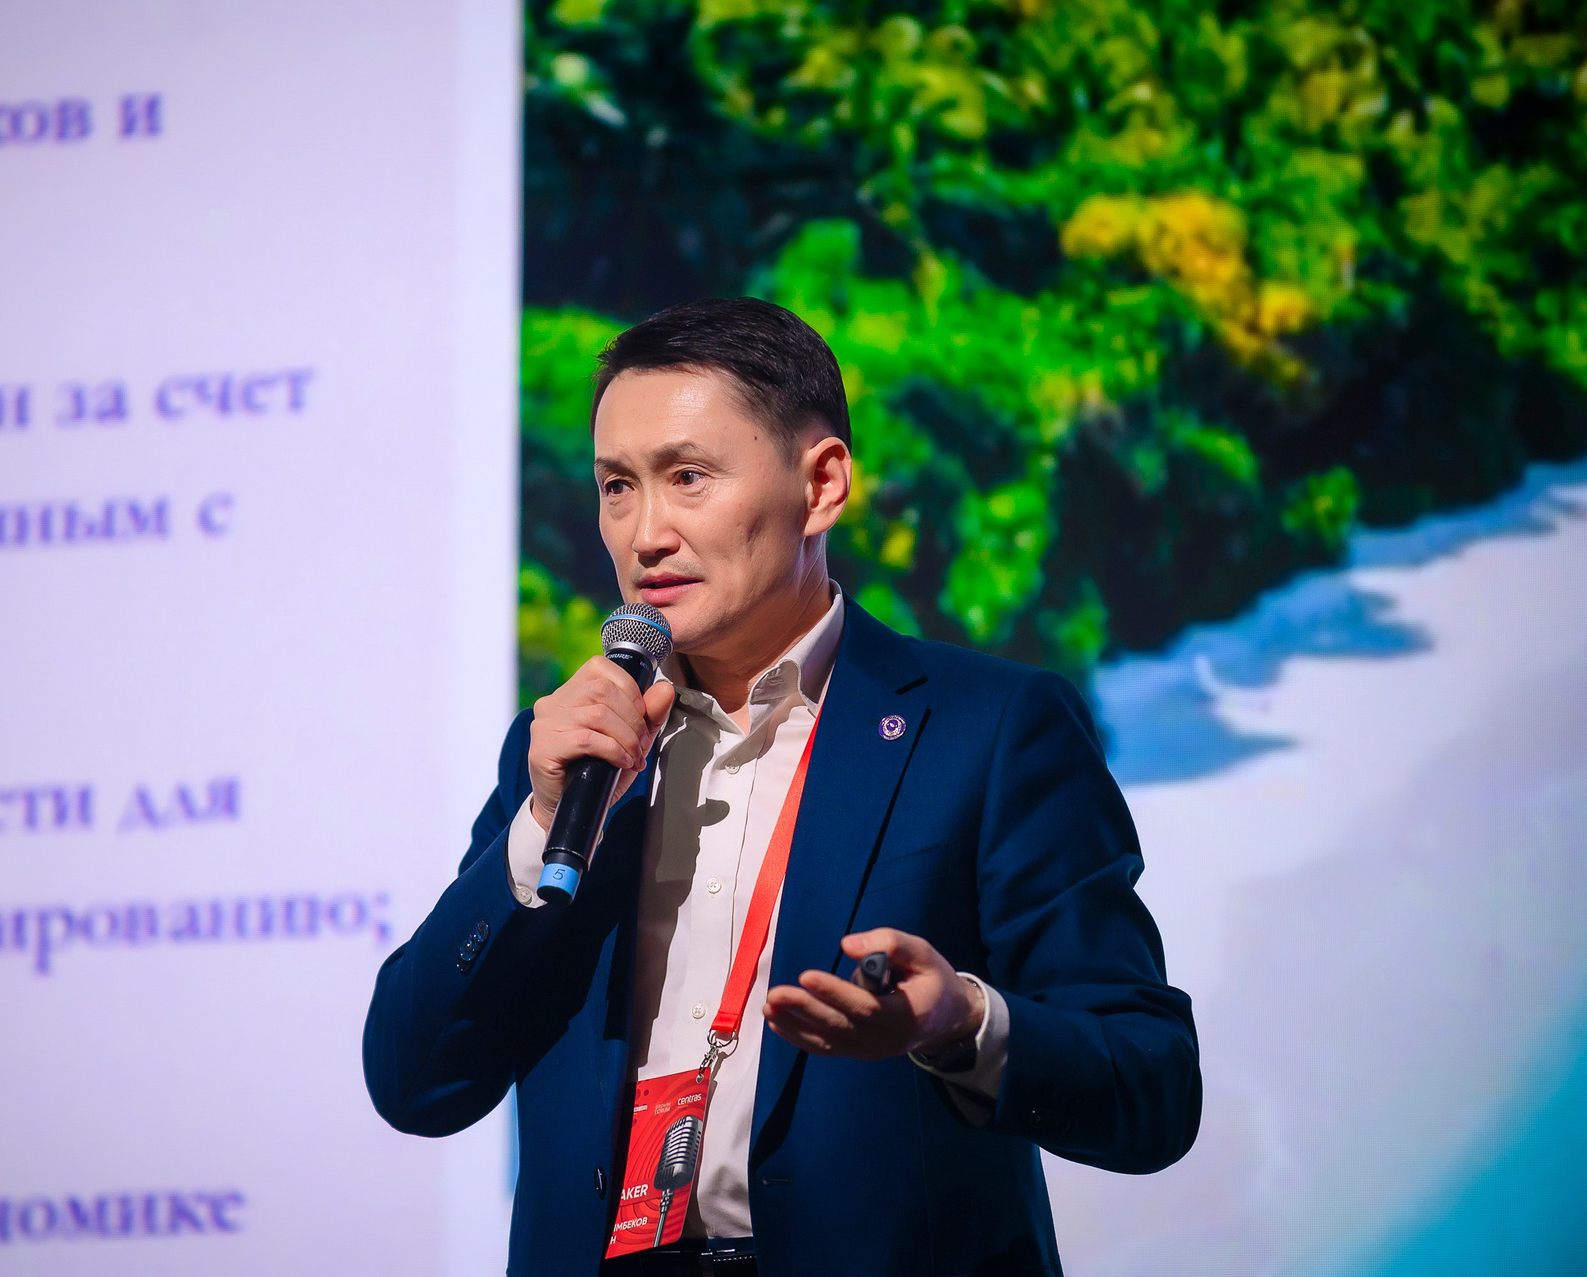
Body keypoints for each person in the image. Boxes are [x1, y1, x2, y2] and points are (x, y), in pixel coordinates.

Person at [364, 297, 1200, 1276]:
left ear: (822, 483)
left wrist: (960, 1023)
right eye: (617, 486)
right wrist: (541, 820)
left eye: (687, 476)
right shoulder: (569, 757)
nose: (645, 532)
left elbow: (1150, 1084)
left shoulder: (990, 729)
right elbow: (415, 1082)